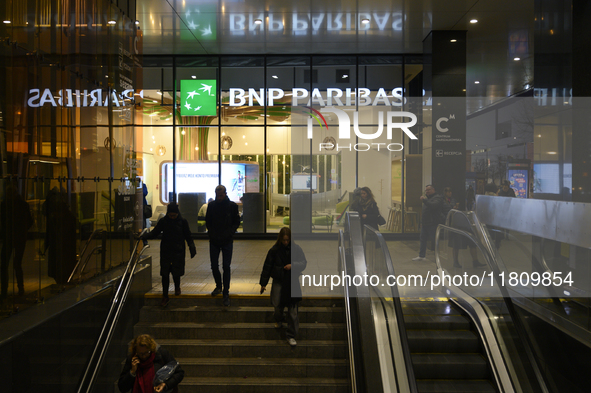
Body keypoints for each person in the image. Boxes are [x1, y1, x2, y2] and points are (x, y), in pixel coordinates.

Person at [259, 227, 307, 347]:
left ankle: (291, 335)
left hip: (292, 283)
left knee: (293, 310)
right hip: (279, 281)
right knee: (277, 305)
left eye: (287, 240)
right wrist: (263, 283)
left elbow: (303, 263)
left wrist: (293, 266)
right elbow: (267, 267)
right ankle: (278, 319)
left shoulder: (296, 249)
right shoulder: (274, 250)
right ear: (280, 239)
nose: (285, 242)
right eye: (284, 240)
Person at [142, 203, 196, 307]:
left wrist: (192, 247)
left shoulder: (183, 222)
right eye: (170, 215)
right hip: (166, 251)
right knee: (165, 273)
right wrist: (145, 236)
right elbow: (155, 232)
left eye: (174, 215)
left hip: (178, 251)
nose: (172, 217)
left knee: (176, 272)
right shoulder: (163, 221)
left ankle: (177, 287)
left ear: (177, 214)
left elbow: (188, 235)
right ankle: (165, 296)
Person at [206, 185, 240, 306]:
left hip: (226, 240)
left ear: (225, 194)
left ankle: (226, 291)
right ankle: (218, 286)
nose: (219, 197)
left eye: (221, 195)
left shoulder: (232, 206)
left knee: (226, 266)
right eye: (217, 195)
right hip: (215, 240)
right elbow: (208, 221)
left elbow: (237, 221)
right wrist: (211, 233)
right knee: (214, 265)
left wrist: (230, 232)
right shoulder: (212, 206)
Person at [118, 334, 184, 393]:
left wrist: (165, 384)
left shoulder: (161, 354)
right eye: (141, 354)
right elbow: (122, 388)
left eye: (146, 353)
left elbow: (179, 373)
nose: (144, 356)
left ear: (151, 349)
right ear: (136, 351)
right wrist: (132, 372)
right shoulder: (132, 359)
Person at [0, 185, 33, 298]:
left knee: (4, 264)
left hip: (9, 237)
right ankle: (20, 288)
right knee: (17, 264)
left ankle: (4, 289)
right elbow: (30, 221)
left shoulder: (4, 205)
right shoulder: (23, 205)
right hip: (19, 237)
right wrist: (22, 231)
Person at [412, 185, 444, 261]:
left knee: (434, 239)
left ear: (433, 190)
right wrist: (421, 222)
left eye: (429, 190)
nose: (427, 191)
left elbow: (433, 206)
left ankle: (438, 256)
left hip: (432, 223)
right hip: (425, 223)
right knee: (423, 239)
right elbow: (424, 212)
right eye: (426, 190)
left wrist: (424, 200)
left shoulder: (437, 198)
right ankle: (422, 255)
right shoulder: (428, 199)